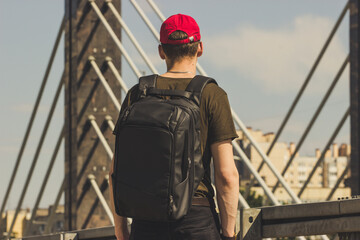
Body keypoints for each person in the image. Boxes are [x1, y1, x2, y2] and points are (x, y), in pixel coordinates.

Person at [109, 13, 239, 240]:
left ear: (161, 51)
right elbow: (226, 175)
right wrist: (228, 233)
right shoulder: (211, 94)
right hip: (196, 219)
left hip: (145, 220)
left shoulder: (138, 94)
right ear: (199, 48)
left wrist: (121, 230)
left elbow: (115, 171)